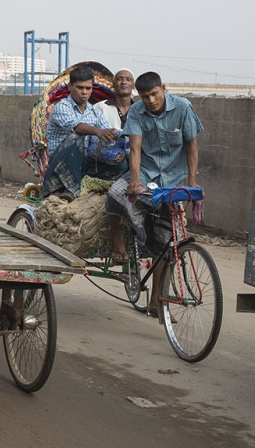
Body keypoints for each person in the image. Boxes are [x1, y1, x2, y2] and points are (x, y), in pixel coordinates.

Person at [104, 71, 203, 316]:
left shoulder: (183, 107)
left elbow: (191, 145)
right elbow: (135, 149)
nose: (150, 100)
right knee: (115, 192)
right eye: (145, 96)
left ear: (163, 89)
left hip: (174, 177)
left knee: (165, 240)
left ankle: (157, 299)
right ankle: (125, 239)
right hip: (146, 173)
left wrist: (191, 181)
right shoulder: (137, 112)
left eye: (154, 94)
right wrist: (135, 180)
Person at [43, 66, 122, 198]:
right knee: (77, 137)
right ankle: (71, 190)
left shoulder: (95, 112)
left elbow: (106, 132)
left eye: (88, 88)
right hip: (60, 164)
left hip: (85, 164)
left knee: (121, 162)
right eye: (80, 88)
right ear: (70, 87)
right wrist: (98, 132)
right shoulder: (62, 107)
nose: (84, 92)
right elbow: (78, 127)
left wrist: (115, 136)